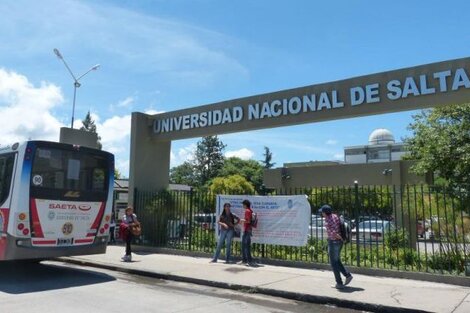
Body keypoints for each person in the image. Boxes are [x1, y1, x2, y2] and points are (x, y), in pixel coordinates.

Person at [319, 204, 353, 289]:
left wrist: (340, 238)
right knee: (337, 261)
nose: (321, 213)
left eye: (322, 212)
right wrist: (342, 239)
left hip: (333, 242)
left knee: (333, 263)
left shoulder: (327, 221)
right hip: (339, 242)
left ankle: (339, 283)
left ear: (325, 213)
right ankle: (347, 275)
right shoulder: (335, 216)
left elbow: (334, 233)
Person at [240, 199, 254, 266]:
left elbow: (248, 221)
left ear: (245, 205)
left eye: (243, 204)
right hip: (248, 229)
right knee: (246, 245)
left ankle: (247, 260)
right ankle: (246, 260)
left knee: (245, 245)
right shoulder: (250, 211)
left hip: (247, 230)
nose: (243, 206)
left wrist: (242, 220)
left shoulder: (247, 211)